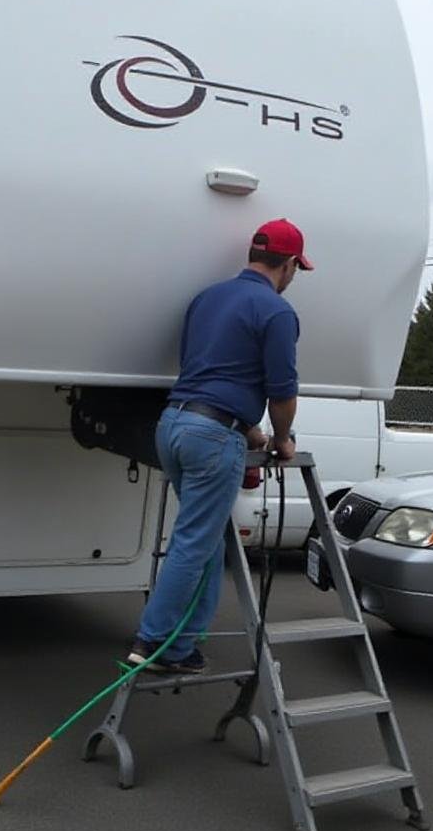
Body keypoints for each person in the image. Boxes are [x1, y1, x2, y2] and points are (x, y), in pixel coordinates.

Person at [127, 218, 313, 674]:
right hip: (211, 438)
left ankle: (182, 644)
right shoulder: (276, 312)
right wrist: (283, 440)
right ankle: (153, 643)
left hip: (173, 425)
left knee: (207, 541)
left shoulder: (207, 298)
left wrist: (250, 430)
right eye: (296, 269)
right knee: (194, 541)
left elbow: (207, 375)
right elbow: (282, 394)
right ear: (288, 265)